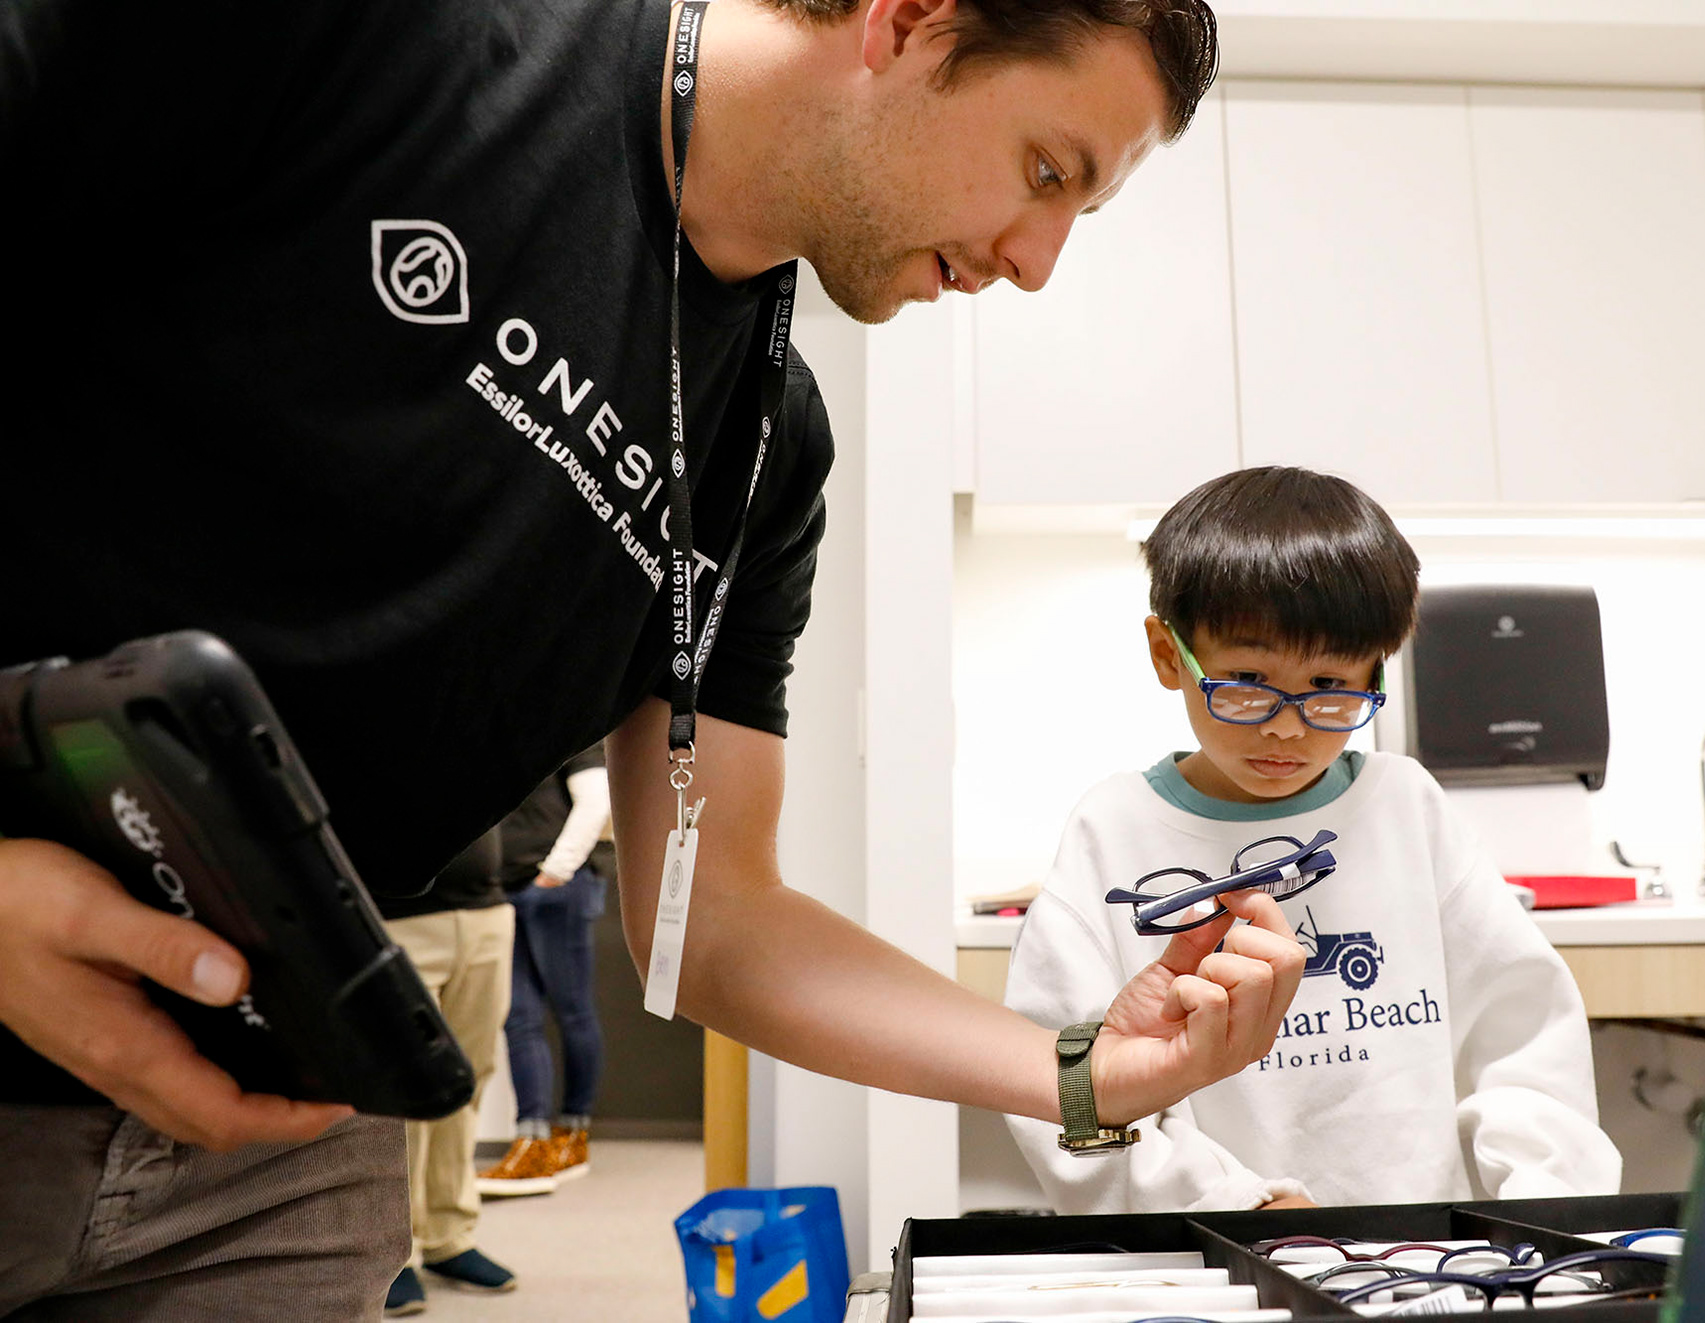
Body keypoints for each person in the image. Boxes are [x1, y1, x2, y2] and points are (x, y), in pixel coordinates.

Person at [0, 1, 1308, 1318]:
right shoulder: (393, 42)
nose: (1037, 264)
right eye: (1046, 171)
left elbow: (716, 922)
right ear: (910, 21)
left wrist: (1081, 1070)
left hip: (284, 1129)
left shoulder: (766, 449)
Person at [1004, 466, 1623, 1212]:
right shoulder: (1113, 831)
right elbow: (1062, 1085)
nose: (1286, 727)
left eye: (1330, 687)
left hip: (1415, 1250)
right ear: (1169, 655)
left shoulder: (1405, 807)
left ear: (1377, 669)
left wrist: (1549, 1201)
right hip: (1217, 1247)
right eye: (1246, 680)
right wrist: (1242, 1206)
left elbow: (1525, 1036)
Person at [375, 829, 521, 1315]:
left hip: (485, 912)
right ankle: (395, 1253)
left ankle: (448, 1234)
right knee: (407, 1093)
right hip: (397, 919)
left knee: (468, 1082)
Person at [476, 745, 617, 1196]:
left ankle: (573, 1133)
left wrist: (555, 873)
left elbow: (596, 800)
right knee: (518, 1018)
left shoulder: (570, 729)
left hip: (556, 888)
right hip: (504, 890)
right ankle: (532, 1140)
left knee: (572, 1011)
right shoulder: (499, 732)